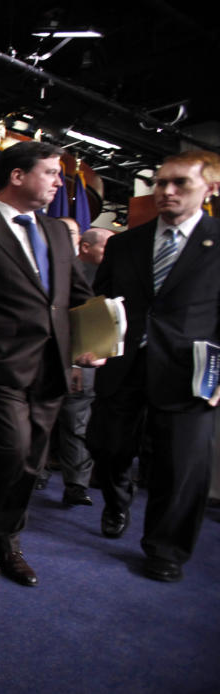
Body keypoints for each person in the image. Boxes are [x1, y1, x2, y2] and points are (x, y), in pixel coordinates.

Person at [0, 141, 93, 587]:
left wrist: (98, 337)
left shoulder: (60, 233)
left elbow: (75, 296)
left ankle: (8, 537)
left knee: (32, 461)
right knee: (8, 449)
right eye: (51, 172)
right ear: (17, 176)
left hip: (52, 366)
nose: (59, 181)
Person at [87, 151, 220, 582]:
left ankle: (165, 550)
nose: (166, 191)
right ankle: (117, 499)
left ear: (211, 188)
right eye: (160, 183)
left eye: (180, 183)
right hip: (124, 366)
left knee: (180, 467)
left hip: (190, 375)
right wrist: (90, 348)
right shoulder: (125, 243)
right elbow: (101, 302)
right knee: (109, 448)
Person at [37, 227, 114, 503]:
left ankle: (77, 485)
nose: (112, 254)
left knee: (76, 423)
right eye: (106, 247)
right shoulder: (63, 273)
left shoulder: (111, 276)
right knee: (42, 421)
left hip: (85, 364)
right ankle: (36, 472)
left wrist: (83, 365)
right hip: (48, 360)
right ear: (85, 247)